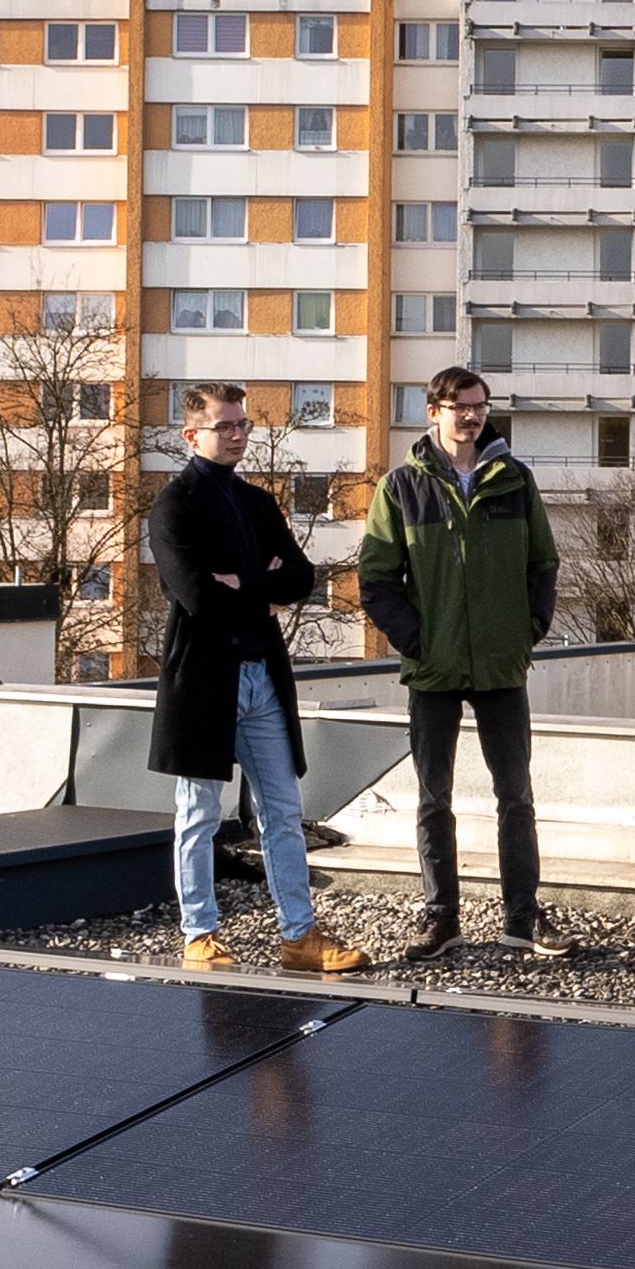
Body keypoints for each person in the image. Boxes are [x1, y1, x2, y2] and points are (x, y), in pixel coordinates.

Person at [148, 383, 357, 976]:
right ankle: (199, 937)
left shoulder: (258, 503)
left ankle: (300, 936)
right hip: (204, 682)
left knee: (283, 813)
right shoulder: (174, 507)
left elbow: (301, 578)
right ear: (192, 435)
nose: (238, 434)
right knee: (198, 816)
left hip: (263, 677)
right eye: (225, 426)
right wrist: (260, 588)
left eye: (242, 424)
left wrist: (241, 582)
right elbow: (197, 597)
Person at [357, 365, 562, 963]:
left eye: (478, 406)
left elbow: (543, 564)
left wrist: (527, 630)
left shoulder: (515, 480)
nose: (470, 416)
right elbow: (376, 579)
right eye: (458, 407)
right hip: (434, 668)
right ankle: (441, 916)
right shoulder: (402, 487)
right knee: (433, 798)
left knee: (516, 796)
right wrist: (417, 642)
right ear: (434, 412)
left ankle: (522, 917)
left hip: (502, 665)